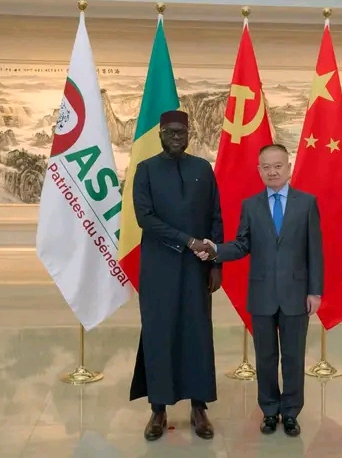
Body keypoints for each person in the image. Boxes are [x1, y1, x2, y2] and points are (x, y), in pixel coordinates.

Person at [195, 143, 323, 437]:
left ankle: (290, 413)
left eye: (278, 166)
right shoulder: (251, 206)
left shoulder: (306, 203)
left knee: (293, 357)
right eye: (266, 167)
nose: (272, 171)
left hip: (296, 294)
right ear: (259, 170)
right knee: (265, 358)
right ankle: (269, 410)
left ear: (288, 168)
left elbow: (314, 250)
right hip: (262, 295)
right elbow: (242, 245)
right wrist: (216, 250)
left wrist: (315, 291)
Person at [129, 109, 222, 441]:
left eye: (180, 132)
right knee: (159, 332)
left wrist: (216, 263)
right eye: (169, 132)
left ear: (189, 135)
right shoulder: (145, 170)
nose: (175, 137)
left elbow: (215, 216)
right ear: (160, 135)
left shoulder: (202, 169)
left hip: (197, 266)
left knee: (197, 332)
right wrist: (187, 240)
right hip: (159, 266)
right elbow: (145, 218)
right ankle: (158, 409)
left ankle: (199, 408)